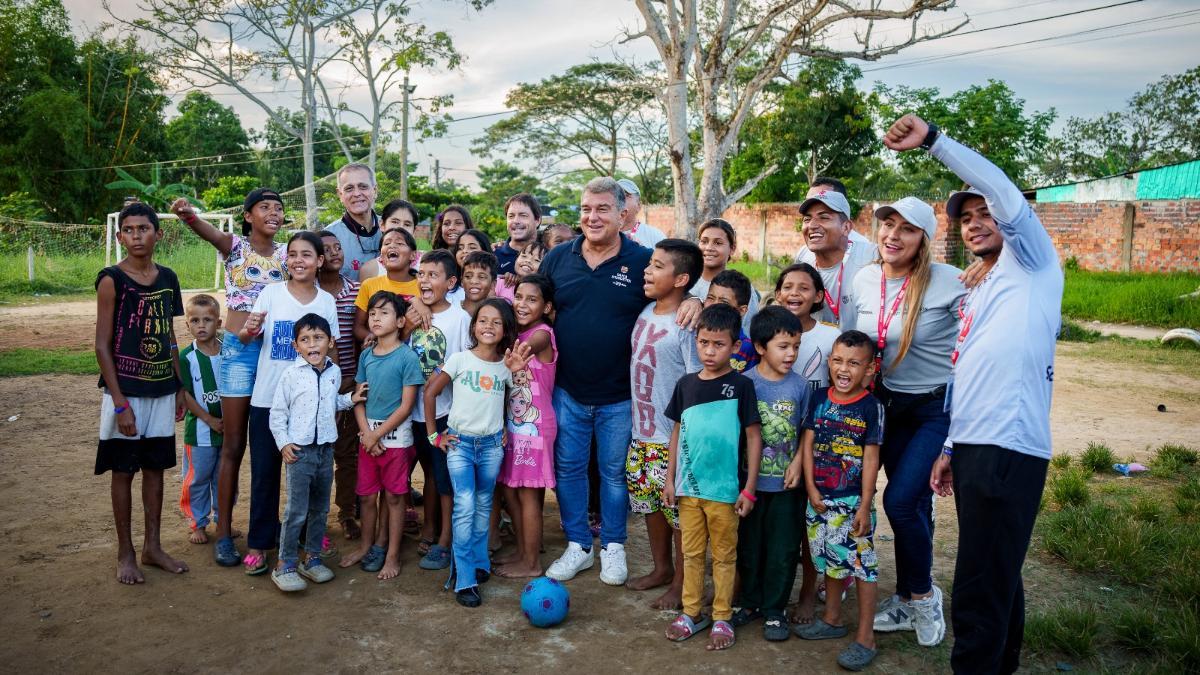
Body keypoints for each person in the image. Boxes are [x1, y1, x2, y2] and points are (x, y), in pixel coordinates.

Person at [886, 117, 1062, 674]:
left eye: (986, 214)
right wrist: (952, 447)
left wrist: (935, 140)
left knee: (978, 584)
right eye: (966, 218)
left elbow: (1003, 189)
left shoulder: (1032, 259)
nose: (975, 224)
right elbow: (971, 369)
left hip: (1008, 445)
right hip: (979, 443)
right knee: (997, 570)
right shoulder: (986, 284)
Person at [538, 176, 702, 586]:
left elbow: (675, 285)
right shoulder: (558, 258)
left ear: (621, 214)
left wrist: (697, 300)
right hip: (567, 390)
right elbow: (533, 304)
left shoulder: (642, 259)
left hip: (620, 396)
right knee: (570, 470)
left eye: (602, 209)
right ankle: (578, 545)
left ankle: (613, 546)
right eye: (585, 209)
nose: (592, 217)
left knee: (614, 475)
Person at [849, 196, 965, 647]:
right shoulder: (865, 278)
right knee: (912, 504)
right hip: (885, 405)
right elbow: (855, 341)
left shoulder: (951, 281)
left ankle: (923, 595)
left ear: (924, 239)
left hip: (933, 409)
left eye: (907, 229)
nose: (893, 236)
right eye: (887, 225)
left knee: (899, 502)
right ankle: (903, 597)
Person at [171, 190, 287, 568]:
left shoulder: (288, 254)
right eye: (265, 207)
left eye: (278, 208)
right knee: (233, 443)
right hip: (238, 353)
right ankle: (223, 534)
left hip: (275, 355)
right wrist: (188, 216)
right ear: (248, 215)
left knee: (272, 445)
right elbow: (207, 232)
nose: (273, 212)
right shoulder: (235, 247)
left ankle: (268, 527)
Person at [95, 202, 188, 584]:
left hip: (163, 390)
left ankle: (152, 546)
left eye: (144, 229)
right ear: (120, 236)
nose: (137, 236)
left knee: (155, 469)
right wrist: (120, 404)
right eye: (129, 230)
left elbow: (169, 338)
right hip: (126, 393)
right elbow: (102, 346)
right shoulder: (111, 279)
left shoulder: (167, 278)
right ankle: (126, 553)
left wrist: (180, 386)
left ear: (158, 234)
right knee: (123, 470)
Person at [662, 303, 762, 651]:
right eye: (703, 342)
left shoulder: (741, 386)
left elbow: (753, 436)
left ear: (735, 347)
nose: (709, 350)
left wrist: (748, 489)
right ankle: (691, 612)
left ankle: (721, 616)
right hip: (688, 491)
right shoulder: (686, 385)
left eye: (718, 344)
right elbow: (677, 432)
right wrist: (669, 478)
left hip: (725, 492)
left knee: (723, 556)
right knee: (690, 555)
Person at [239, 231, 340, 576]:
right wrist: (248, 329)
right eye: (293, 254)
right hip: (269, 401)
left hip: (310, 408)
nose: (299, 260)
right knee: (265, 474)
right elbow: (244, 336)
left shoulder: (325, 301)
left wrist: (335, 390)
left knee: (310, 480)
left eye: (307, 255)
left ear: (319, 261)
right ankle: (260, 542)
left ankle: (307, 540)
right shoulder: (270, 293)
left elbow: (335, 350)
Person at [423, 299, 533, 607]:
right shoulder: (460, 359)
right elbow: (430, 392)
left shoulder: (505, 365)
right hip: (459, 444)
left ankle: (479, 563)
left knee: (485, 505)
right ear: (474, 327)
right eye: (483, 320)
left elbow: (520, 400)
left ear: (506, 330)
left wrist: (519, 373)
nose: (488, 326)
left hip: (491, 446)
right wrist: (434, 435)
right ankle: (465, 579)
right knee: (465, 505)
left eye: (496, 322)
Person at [789, 330, 884, 672]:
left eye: (855, 363)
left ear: (870, 369)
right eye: (839, 361)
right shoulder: (818, 399)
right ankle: (831, 620)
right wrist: (811, 489)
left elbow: (871, 459)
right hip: (818, 501)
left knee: (862, 567)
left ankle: (865, 638)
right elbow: (809, 444)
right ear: (829, 362)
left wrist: (864, 504)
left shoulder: (872, 407)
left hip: (851, 502)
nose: (845, 369)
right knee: (829, 560)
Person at [625, 239, 703, 610]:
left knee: (679, 517)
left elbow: (695, 381)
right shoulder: (644, 312)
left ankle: (682, 584)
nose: (647, 270)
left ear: (680, 278)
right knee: (649, 507)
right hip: (641, 434)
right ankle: (661, 569)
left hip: (671, 438)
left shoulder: (687, 324)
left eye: (657, 266)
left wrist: (684, 437)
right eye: (649, 264)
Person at [267, 314, 367, 592]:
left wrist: (350, 400)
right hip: (299, 452)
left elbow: (331, 401)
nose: (313, 344)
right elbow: (278, 414)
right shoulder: (290, 375)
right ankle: (285, 564)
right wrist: (284, 443)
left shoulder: (334, 372)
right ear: (295, 345)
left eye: (319, 338)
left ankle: (311, 558)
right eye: (305, 340)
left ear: (330, 341)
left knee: (320, 508)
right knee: (296, 510)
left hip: (326, 450)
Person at [733, 306, 809, 641]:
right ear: (761, 347)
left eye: (796, 346)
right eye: (783, 346)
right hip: (750, 486)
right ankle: (750, 603)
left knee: (782, 551)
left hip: (787, 487)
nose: (791, 353)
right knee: (749, 547)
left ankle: (775, 610)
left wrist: (797, 464)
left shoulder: (801, 387)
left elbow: (807, 431)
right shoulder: (744, 384)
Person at [339, 291, 424, 580]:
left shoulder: (407, 357)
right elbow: (358, 397)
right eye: (372, 312)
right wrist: (366, 434)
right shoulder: (366, 355)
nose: (375, 317)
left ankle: (391, 555)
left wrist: (377, 435)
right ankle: (367, 547)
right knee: (365, 498)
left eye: (384, 313)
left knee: (395, 498)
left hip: (396, 440)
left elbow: (406, 406)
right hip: (369, 436)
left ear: (401, 321)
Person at [408, 250, 472, 571]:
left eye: (433, 275)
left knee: (444, 479)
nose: (424, 280)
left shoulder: (460, 318)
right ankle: (425, 528)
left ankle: (445, 539)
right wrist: (413, 310)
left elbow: (465, 365)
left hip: (446, 414)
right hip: (409, 412)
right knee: (418, 473)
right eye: (421, 274)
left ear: (450, 282)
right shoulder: (411, 311)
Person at [495, 274, 558, 579]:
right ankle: (524, 552)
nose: (522, 304)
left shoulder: (543, 334)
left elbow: (529, 345)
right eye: (518, 296)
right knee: (511, 488)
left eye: (532, 299)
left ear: (547, 307)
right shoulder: (513, 334)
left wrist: (513, 348)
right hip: (513, 427)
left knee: (530, 494)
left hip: (534, 430)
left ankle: (531, 562)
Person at [317, 230, 363, 542]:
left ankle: (347, 512)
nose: (336, 253)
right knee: (316, 455)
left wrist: (353, 381)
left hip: (349, 383)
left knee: (348, 455)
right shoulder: (310, 293)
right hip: (317, 387)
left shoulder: (356, 291)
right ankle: (313, 516)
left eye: (338, 247)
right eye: (327, 249)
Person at [793, 187, 877, 330]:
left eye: (824, 217)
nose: (812, 225)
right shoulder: (803, 258)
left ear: (846, 227)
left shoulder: (871, 256)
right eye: (807, 219)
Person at [178, 293, 225, 545]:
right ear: (187, 325)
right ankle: (197, 522)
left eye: (207, 320)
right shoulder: (187, 357)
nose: (201, 325)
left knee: (223, 477)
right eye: (194, 320)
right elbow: (185, 394)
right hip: (200, 432)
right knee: (198, 478)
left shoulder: (227, 351)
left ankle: (223, 520)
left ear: (218, 323)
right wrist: (208, 419)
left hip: (227, 430)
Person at [775, 263, 839, 390]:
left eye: (804, 288)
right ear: (778, 295)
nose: (794, 293)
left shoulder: (832, 336)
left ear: (818, 296)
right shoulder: (767, 333)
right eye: (787, 287)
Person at [353, 227, 419, 343]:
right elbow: (358, 327)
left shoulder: (423, 286)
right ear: (381, 257)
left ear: (413, 255)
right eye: (387, 243)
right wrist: (371, 338)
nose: (392, 246)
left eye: (399, 243)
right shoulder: (369, 285)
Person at [693, 218, 760, 332]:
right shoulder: (686, 281)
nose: (709, 248)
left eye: (718, 243)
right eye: (704, 241)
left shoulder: (741, 287)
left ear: (732, 249)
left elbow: (748, 331)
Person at [325, 162, 381, 281]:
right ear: (340, 195)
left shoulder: (392, 227)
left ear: (375, 190)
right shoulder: (328, 236)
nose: (356, 194)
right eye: (349, 188)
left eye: (363, 187)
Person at [702, 269, 760, 373]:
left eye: (724, 301)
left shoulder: (748, 348)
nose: (715, 305)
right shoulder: (694, 337)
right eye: (710, 298)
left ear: (742, 310)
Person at [358, 199, 421, 279]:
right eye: (394, 222)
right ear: (382, 225)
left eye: (407, 224)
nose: (400, 228)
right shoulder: (369, 269)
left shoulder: (426, 263)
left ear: (414, 231)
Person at [494, 193, 541, 274]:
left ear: (537, 220)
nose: (516, 221)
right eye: (511, 216)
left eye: (523, 215)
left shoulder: (549, 255)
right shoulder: (493, 256)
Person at [616, 178, 666, 247]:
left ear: (639, 205)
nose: (619, 199)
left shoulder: (656, 237)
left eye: (625, 195)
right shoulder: (602, 235)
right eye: (616, 196)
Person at [460, 251, 498, 317]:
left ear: (493, 284)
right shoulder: (450, 310)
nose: (474, 281)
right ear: (462, 281)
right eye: (468, 276)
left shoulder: (497, 314)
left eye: (482, 277)